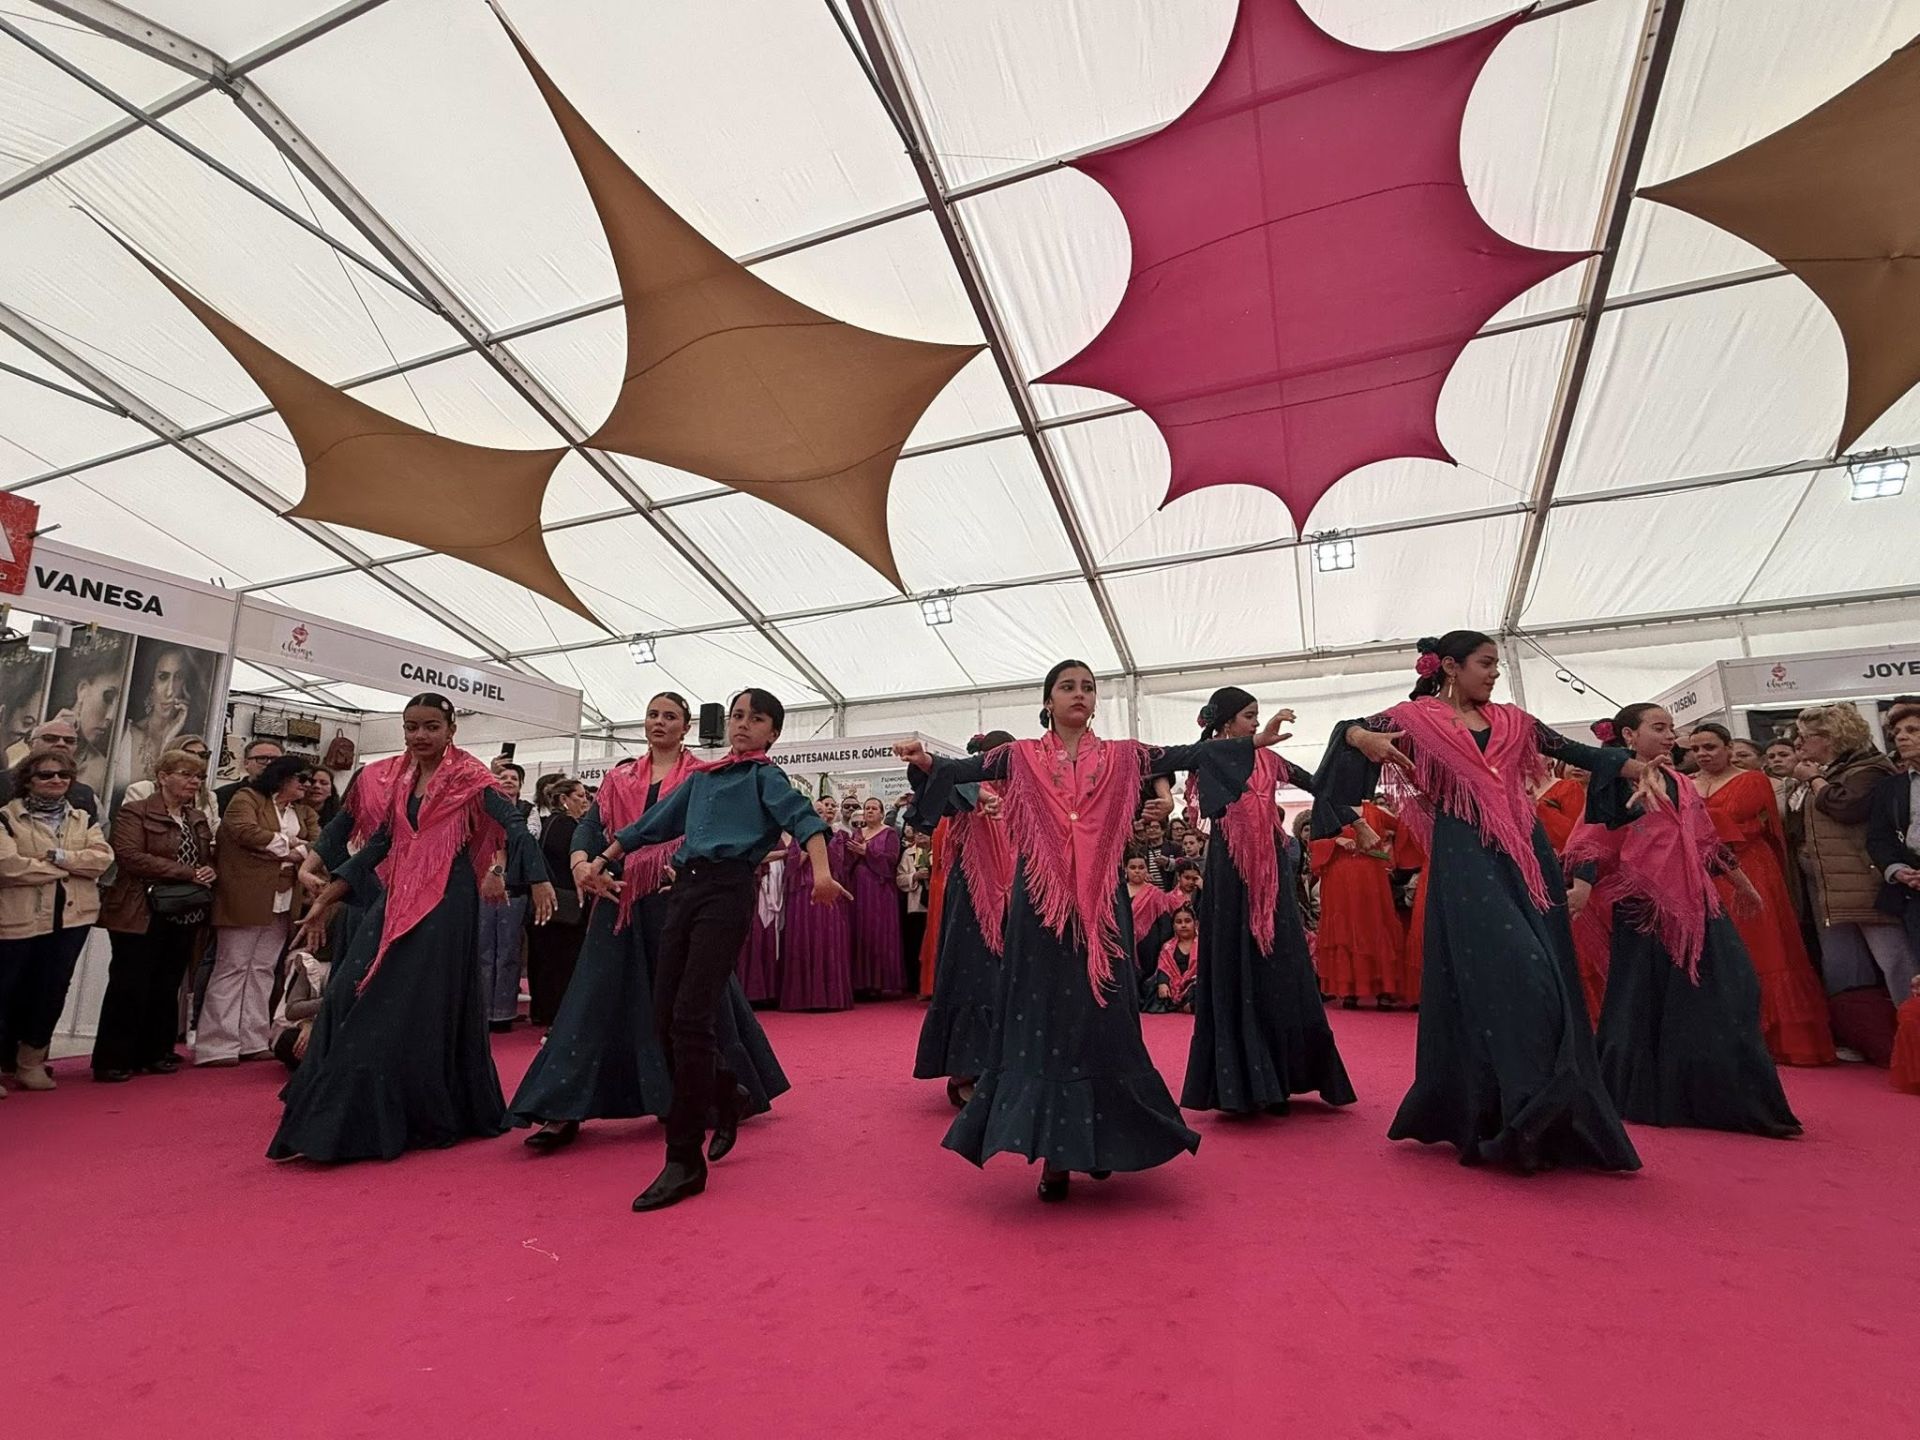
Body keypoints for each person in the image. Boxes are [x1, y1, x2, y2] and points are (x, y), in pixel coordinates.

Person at [896, 660, 1272, 1203]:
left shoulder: (1122, 755)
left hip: (1101, 907)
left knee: (1102, 1017)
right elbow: (960, 771)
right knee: (1043, 1019)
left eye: (1088, 687)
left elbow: (1188, 754)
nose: (1079, 694)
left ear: (1096, 701)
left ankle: (1101, 1141)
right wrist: (925, 759)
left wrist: (1252, 742)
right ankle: (1055, 1157)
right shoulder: (1018, 756)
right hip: (1040, 909)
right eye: (1068, 687)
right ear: (1048, 701)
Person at [1319, 631, 1645, 1174]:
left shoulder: (1516, 721)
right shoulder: (1416, 718)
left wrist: (1638, 768)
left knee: (1548, 976)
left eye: (1495, 664)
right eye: (1485, 663)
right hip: (1466, 852)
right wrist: (1361, 737)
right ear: (1449, 666)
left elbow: (1576, 753)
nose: (1494, 672)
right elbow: (1345, 733)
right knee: (1521, 968)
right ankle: (1513, 1109)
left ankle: (1544, 1114)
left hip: (1526, 852)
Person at [582, 687, 845, 1211]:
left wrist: (821, 874)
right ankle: (728, 1091)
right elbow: (649, 826)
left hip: (728, 892)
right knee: (663, 1020)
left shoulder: (764, 778)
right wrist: (601, 859)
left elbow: (806, 822)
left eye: (756, 719)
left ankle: (684, 1159)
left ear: (774, 732)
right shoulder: (703, 779)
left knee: (691, 1018)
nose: (743, 725)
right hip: (685, 891)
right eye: (737, 716)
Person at [273, 694, 555, 1163]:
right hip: (398, 893)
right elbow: (380, 842)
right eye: (411, 727)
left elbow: (513, 821)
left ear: (450, 731)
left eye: (430, 727)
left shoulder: (472, 778)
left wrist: (540, 877)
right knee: (345, 990)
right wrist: (326, 896)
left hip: (447, 898)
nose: (420, 735)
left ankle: (360, 1123)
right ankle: (331, 1110)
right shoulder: (399, 778)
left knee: (402, 1004)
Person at [511, 693, 792, 1158]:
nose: (659, 722)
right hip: (616, 897)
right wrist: (583, 863)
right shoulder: (618, 777)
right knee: (592, 998)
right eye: (652, 715)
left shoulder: (707, 774)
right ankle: (561, 1107)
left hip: (677, 898)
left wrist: (693, 869)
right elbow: (592, 826)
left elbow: (725, 832)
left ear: (686, 728)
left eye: (670, 717)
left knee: (692, 1005)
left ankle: (701, 1095)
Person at [1568, 705, 1800, 1138]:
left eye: (1672, 728)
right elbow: (1592, 837)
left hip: (1698, 902)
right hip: (1645, 906)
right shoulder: (1615, 781)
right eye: (1659, 728)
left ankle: (1727, 1102)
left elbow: (1706, 839)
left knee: (1733, 991)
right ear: (1629, 737)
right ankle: (1642, 1097)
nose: (1671, 736)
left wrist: (1743, 883)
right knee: (1642, 1004)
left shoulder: (1680, 783)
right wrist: (1581, 887)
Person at [1168, 686, 1354, 1116]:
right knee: (1238, 963)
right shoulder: (1210, 755)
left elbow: (1317, 783)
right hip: (1229, 870)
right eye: (1249, 716)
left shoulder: (1272, 760)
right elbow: (1172, 759)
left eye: (1257, 715)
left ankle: (1282, 1075)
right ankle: (1246, 1081)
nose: (1256, 722)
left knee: (1280, 964)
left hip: (1271, 870)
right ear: (1228, 721)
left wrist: (1352, 747)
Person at [1687, 722, 1833, 1065]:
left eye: (1710, 747)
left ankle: (1781, 1039)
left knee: (1766, 947)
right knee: (1725, 950)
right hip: (1705, 875)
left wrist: (1686, 810)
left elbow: (1729, 821)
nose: (1702, 755)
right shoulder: (1689, 783)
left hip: (1751, 868)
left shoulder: (1751, 779)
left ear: (1727, 747)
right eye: (1695, 749)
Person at [93, 749, 215, 1082]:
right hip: (139, 908)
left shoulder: (197, 818)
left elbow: (205, 858)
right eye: (186, 774)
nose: (193, 782)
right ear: (162, 777)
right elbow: (129, 855)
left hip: (183, 911)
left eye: (199, 777)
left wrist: (206, 871)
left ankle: (155, 1052)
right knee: (129, 983)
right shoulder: (136, 812)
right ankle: (113, 1058)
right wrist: (186, 873)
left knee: (167, 983)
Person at [0, 747, 112, 1095]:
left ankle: (30, 1062)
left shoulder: (83, 818)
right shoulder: (7, 817)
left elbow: (101, 860)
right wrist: (63, 868)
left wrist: (59, 856)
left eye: (63, 775)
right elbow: (7, 866)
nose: (56, 781)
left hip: (71, 919)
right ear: (28, 781)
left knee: (50, 991)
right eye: (46, 775)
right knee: (6, 990)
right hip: (18, 918)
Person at [912, 731, 1015, 1107]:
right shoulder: (968, 787)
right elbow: (945, 786)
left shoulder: (1022, 795)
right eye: (996, 759)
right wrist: (980, 793)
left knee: (1011, 985)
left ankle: (1007, 1070)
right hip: (973, 898)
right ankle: (966, 1071)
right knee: (975, 979)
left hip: (1015, 902)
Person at [1791, 703, 1916, 1007]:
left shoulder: (1869, 770)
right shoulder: (1836, 771)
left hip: (1868, 881)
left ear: (1830, 737)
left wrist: (1813, 779)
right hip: (1836, 885)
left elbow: (1846, 807)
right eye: (1897, 731)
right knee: (1849, 969)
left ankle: (1912, 1029)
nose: (1799, 744)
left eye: (1806, 737)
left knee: (1897, 963)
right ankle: (1881, 1036)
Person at [1310, 797, 1401, 1009]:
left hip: (1372, 879)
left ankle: (1384, 989)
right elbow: (1312, 843)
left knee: (1375, 926)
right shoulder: (1326, 807)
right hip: (1339, 879)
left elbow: (1405, 829)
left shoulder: (1376, 811)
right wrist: (1335, 842)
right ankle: (1348, 989)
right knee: (1344, 929)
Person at [779, 795, 854, 1011]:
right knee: (801, 940)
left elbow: (840, 866)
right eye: (818, 811)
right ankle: (801, 998)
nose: (823, 814)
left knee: (828, 940)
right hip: (803, 896)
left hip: (828, 892)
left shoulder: (838, 837)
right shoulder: (796, 838)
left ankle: (832, 997)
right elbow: (791, 867)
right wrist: (806, 848)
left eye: (826, 811)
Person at [525, 777, 589, 1027]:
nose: (585, 801)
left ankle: (543, 1010)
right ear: (564, 800)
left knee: (544, 957)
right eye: (580, 796)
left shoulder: (547, 824)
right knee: (562, 958)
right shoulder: (567, 826)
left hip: (547, 899)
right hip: (565, 900)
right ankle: (557, 1013)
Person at [113, 644, 205, 802]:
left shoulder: (192, 742)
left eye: (178, 677)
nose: (169, 691)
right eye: (163, 677)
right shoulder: (125, 733)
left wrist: (169, 739)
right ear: (151, 682)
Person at [478, 762, 532, 1031]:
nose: (509, 781)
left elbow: (527, 844)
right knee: (484, 950)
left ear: (521, 785)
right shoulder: (483, 810)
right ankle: (481, 1012)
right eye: (503, 777)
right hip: (484, 887)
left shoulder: (528, 813)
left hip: (516, 888)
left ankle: (503, 1013)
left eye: (514, 778)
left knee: (509, 952)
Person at [1867, 701, 1920, 967]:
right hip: (1913, 891)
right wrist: (1897, 869)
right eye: (1897, 731)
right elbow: (1878, 837)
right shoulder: (1890, 786)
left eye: (1912, 729)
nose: (1901, 737)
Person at [847, 796, 904, 997]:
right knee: (860, 930)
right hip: (858, 889)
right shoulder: (857, 833)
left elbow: (891, 861)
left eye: (874, 808)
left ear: (881, 813)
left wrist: (867, 851)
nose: (870, 811)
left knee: (879, 932)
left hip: (880, 891)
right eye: (867, 808)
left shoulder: (889, 834)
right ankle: (861, 983)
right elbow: (847, 862)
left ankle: (882, 983)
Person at [0, 720, 100, 819]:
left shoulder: (85, 795)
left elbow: (97, 831)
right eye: (50, 738)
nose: (61, 743)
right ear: (31, 744)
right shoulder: (2, 783)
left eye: (69, 741)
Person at [122, 735, 220, 833]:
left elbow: (214, 839)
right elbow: (129, 833)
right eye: (189, 754)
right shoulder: (142, 790)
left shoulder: (209, 798)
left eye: (203, 755)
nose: (197, 759)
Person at [1142, 907, 1200, 1013]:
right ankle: (1181, 1005)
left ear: (1195, 923)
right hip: (1172, 985)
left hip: (1193, 985)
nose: (1183, 925)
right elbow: (1163, 968)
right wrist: (1163, 983)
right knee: (1153, 988)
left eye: (1187, 921)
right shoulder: (1168, 947)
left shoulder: (1203, 945)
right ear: (1173, 926)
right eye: (1179, 922)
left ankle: (1187, 1005)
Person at [215, 739, 284, 817]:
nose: (269, 763)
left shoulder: (292, 796)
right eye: (262, 758)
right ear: (246, 763)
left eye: (275, 760)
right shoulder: (223, 795)